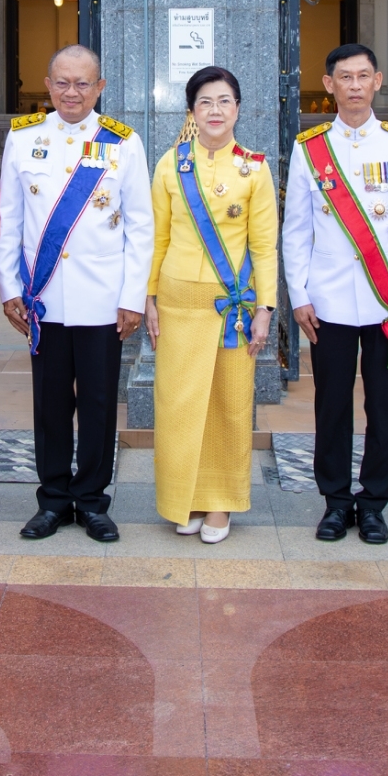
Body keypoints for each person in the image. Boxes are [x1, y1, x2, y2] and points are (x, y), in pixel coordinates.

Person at [282, 44, 388, 545]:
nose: (353, 85)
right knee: (331, 406)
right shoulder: (310, 147)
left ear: (378, 81)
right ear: (328, 85)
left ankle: (373, 503)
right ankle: (335, 501)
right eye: (343, 76)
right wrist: (299, 295)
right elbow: (296, 231)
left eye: (362, 76)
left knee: (384, 405)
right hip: (327, 302)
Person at [0, 45, 150, 543]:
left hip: (103, 300)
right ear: (48, 83)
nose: (71, 92)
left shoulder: (123, 143)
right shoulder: (23, 140)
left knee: (101, 402)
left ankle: (92, 501)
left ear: (100, 87)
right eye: (62, 82)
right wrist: (9, 289)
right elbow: (10, 223)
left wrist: (132, 297)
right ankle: (53, 500)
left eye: (83, 83)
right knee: (49, 403)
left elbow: (140, 228)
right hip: (44, 300)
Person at [147, 66, 278, 544]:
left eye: (224, 101)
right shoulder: (170, 164)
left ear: (238, 108)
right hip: (179, 305)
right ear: (191, 111)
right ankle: (188, 497)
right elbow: (157, 239)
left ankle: (220, 502)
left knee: (227, 406)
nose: (215, 110)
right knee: (179, 407)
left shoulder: (255, 168)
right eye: (205, 102)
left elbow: (265, 246)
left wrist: (265, 308)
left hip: (233, 312)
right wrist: (149, 300)